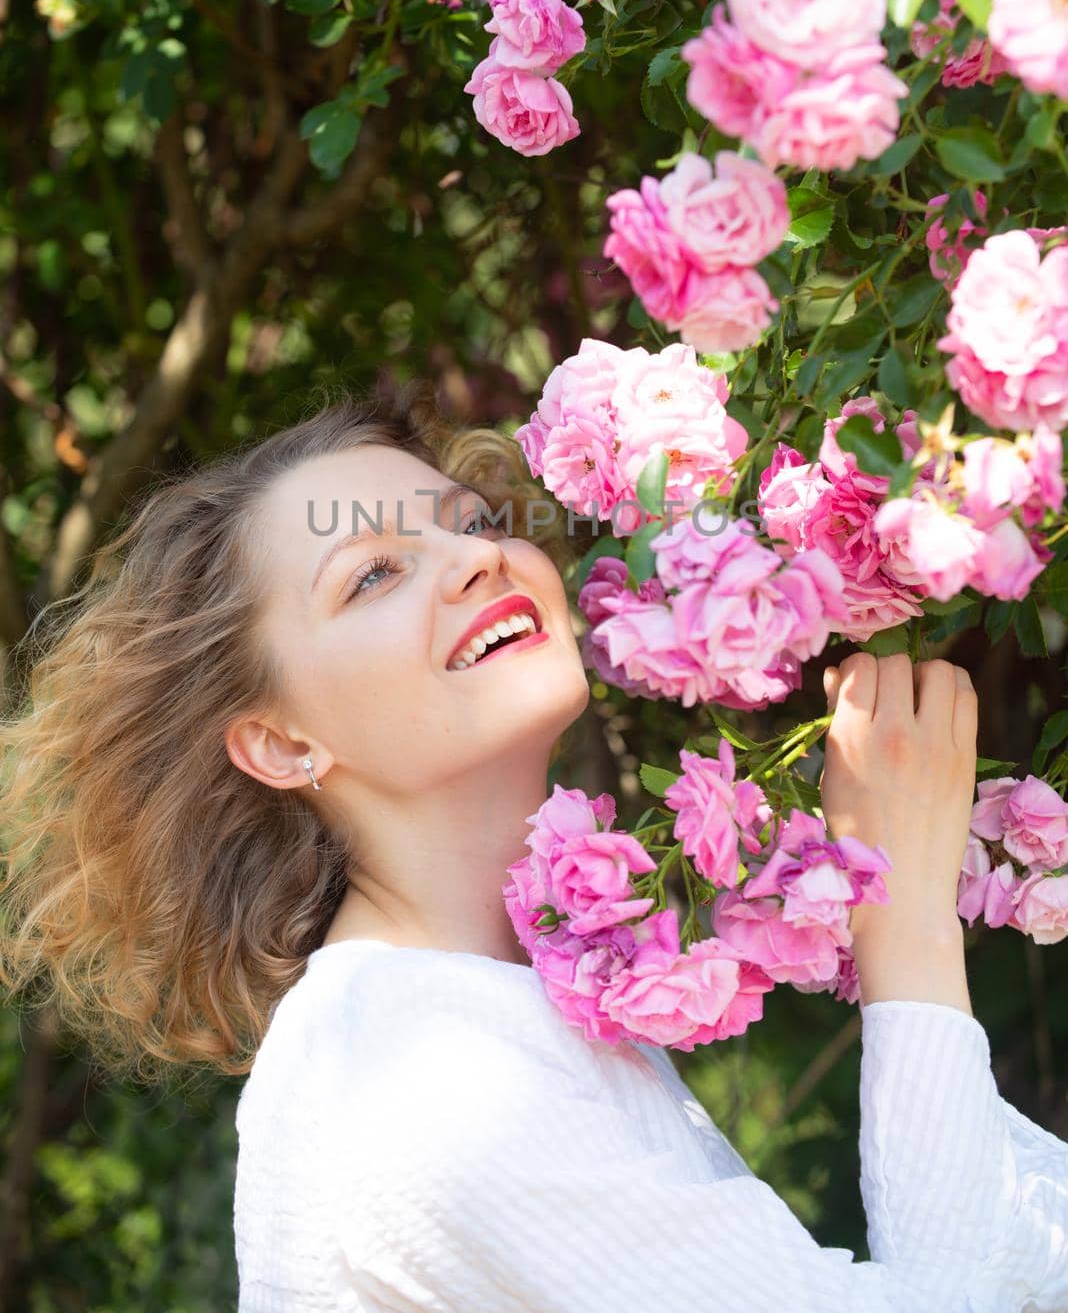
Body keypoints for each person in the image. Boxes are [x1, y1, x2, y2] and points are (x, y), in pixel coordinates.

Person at [1, 384, 1066, 1313]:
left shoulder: (500, 1002)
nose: (478, 559)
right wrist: (906, 912)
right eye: (373, 573)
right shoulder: (422, 1086)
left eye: (473, 522)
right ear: (282, 741)